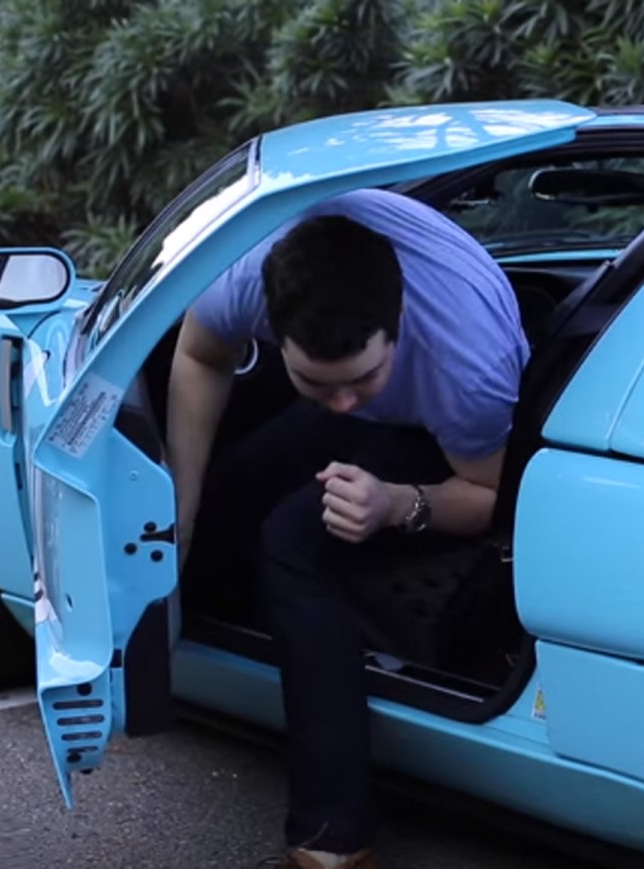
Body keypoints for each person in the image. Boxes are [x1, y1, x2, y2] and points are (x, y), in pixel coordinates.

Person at [167, 188, 528, 869]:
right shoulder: (246, 272)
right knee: (227, 490)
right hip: (386, 398)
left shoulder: (466, 371)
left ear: (398, 320)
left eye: (362, 377)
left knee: (293, 542)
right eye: (313, 380)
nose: (340, 401)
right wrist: (180, 512)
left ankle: (331, 840)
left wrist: (394, 504)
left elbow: (490, 496)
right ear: (273, 327)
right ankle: (198, 654)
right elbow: (199, 357)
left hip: (436, 440)